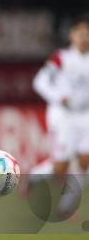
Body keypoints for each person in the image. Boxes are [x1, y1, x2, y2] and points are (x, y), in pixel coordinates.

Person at [32, 15, 89, 215]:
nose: (84, 37)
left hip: (86, 115)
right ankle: (33, 178)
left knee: (85, 160)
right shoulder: (61, 57)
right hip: (64, 115)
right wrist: (59, 97)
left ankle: (66, 208)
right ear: (72, 36)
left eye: (87, 34)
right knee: (60, 165)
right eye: (80, 33)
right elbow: (39, 81)